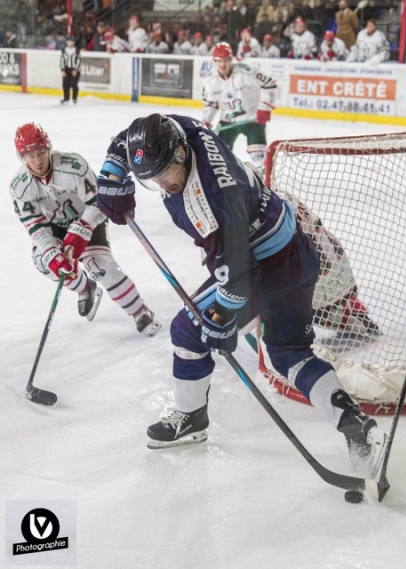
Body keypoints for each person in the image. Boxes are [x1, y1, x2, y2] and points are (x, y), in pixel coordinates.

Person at [93, 114, 388, 477]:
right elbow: (130, 137)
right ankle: (360, 429)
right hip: (296, 252)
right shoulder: (183, 131)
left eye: (168, 170)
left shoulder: (210, 202)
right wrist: (112, 174)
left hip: (262, 266)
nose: (165, 182)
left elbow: (237, 278)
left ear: (182, 154)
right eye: (153, 177)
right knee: (288, 353)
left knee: (187, 330)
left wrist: (220, 320)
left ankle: (191, 417)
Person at [9, 123, 161, 336]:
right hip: (55, 227)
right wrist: (52, 251)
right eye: (29, 156)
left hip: (89, 218)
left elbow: (100, 202)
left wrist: (82, 228)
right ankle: (85, 288)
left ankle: (138, 310)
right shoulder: (19, 186)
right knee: (45, 262)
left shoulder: (73, 165)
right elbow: (35, 225)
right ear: (22, 157)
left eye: (41, 152)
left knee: (98, 265)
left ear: (48, 148)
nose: (37, 160)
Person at [201, 42, 276, 173]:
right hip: (228, 121)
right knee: (220, 157)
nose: (222, 65)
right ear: (214, 61)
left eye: (226, 60)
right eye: (219, 61)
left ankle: (265, 181)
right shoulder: (210, 81)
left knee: (258, 156)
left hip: (252, 120)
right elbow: (211, 104)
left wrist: (265, 107)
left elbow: (270, 83)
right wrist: (206, 121)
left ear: (231, 59)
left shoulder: (246, 72)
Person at [59, 36, 80, 105]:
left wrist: (76, 69)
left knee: (74, 84)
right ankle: (66, 98)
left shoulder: (76, 50)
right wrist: (62, 70)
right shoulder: (64, 50)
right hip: (66, 69)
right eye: (69, 41)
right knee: (65, 84)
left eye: (71, 41)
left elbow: (79, 60)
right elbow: (62, 60)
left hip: (74, 69)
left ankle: (74, 98)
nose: (70, 43)